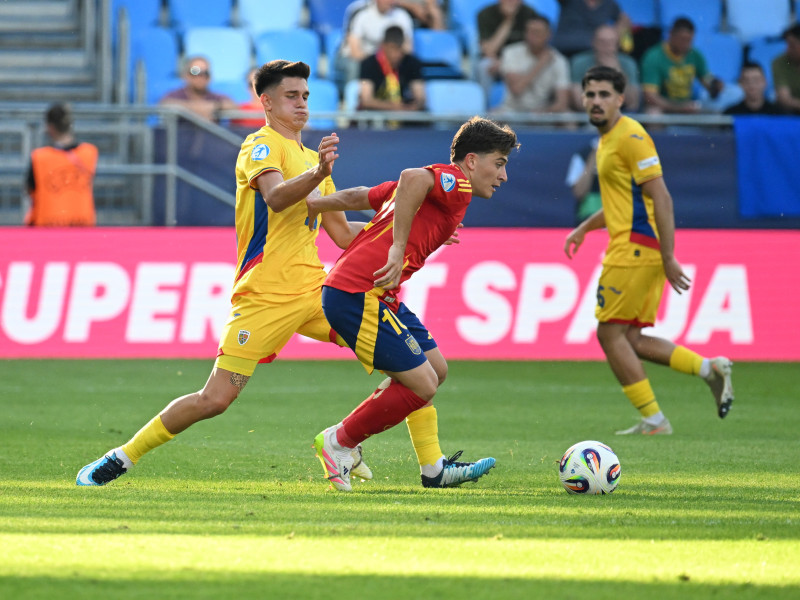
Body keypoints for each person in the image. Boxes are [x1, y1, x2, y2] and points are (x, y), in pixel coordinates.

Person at [76, 60, 372, 486]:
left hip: (315, 291)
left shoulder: (313, 160)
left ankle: (375, 450)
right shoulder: (261, 145)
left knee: (403, 361)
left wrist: (409, 228)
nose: (302, 104)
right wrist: (319, 174)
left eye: (306, 96)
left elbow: (343, 235)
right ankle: (123, 456)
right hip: (264, 297)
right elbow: (275, 198)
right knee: (214, 399)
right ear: (266, 102)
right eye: (292, 96)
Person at [305, 116, 519, 491]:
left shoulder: (438, 199)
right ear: (471, 161)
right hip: (357, 293)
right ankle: (339, 442)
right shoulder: (456, 181)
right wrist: (399, 246)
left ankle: (434, 468)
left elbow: (362, 195)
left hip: (375, 295)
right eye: (498, 163)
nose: (503, 176)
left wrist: (314, 205)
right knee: (422, 383)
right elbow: (412, 177)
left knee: (435, 370)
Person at [564, 65, 734, 436]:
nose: (596, 101)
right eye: (590, 94)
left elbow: (661, 196)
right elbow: (620, 203)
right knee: (632, 339)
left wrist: (670, 255)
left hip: (635, 249)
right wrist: (584, 228)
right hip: (635, 246)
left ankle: (655, 420)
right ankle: (709, 369)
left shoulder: (632, 136)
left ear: (621, 98)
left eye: (604, 94)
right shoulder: (608, 138)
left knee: (609, 335)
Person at [24, 103, 98, 227]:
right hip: (83, 224)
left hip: (47, 224)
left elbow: (30, 189)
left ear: (50, 127)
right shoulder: (89, 153)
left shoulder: (39, 157)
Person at [640, 17, 723, 115]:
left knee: (716, 114)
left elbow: (708, 81)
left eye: (689, 41)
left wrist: (716, 86)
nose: (686, 45)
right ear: (671, 35)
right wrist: (679, 108)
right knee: (653, 114)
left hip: (687, 106)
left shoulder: (695, 55)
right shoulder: (654, 57)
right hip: (664, 107)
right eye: (683, 40)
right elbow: (650, 97)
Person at [495, 15, 570, 114]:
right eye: (529, 31)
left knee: (568, 118)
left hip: (542, 113)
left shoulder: (559, 61)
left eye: (537, 32)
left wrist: (544, 112)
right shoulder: (511, 52)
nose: (531, 36)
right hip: (511, 110)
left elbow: (562, 103)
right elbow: (517, 89)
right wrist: (540, 64)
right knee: (489, 119)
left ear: (548, 34)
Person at [338, 0, 415, 84]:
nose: (390, 2)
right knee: (355, 66)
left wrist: (389, 60)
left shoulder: (402, 16)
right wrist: (376, 62)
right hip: (355, 57)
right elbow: (355, 51)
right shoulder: (360, 12)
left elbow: (408, 49)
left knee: (409, 64)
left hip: (385, 59)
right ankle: (352, 95)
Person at [358, 26, 426, 117]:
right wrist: (394, 107)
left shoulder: (412, 63)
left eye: (399, 49)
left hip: (406, 118)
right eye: (392, 48)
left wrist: (413, 107)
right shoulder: (369, 64)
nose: (396, 54)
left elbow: (420, 98)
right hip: (377, 118)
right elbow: (366, 100)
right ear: (383, 46)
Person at [476, 0, 541, 95]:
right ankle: (484, 106)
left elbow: (536, 45)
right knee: (485, 67)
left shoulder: (529, 13)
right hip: (495, 60)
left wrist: (507, 64)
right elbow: (489, 50)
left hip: (522, 60)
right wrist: (508, 20)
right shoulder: (485, 14)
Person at [570, 24, 639, 111]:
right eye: (601, 42)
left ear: (617, 44)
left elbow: (632, 103)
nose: (606, 46)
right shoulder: (580, 62)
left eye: (611, 42)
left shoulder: (628, 63)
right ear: (593, 42)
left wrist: (617, 71)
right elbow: (578, 103)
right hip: (589, 115)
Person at [159, 55, 238, 122]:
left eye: (205, 73)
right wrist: (197, 108)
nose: (201, 77)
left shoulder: (215, 97)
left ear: (210, 77)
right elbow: (165, 105)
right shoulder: (175, 95)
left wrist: (215, 106)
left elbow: (233, 106)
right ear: (186, 75)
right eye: (195, 72)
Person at [552, 0, 631, 59]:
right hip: (563, 49)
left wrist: (613, 33)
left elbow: (623, 21)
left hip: (593, 52)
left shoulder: (610, 4)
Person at [564, 136, 601, 224]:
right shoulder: (582, 155)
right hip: (589, 219)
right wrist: (593, 157)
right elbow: (579, 193)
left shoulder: (627, 151)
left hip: (621, 218)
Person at [772, 23, 800, 115]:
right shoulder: (779, 62)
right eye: (787, 44)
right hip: (792, 112)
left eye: (792, 45)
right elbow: (785, 100)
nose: (787, 50)